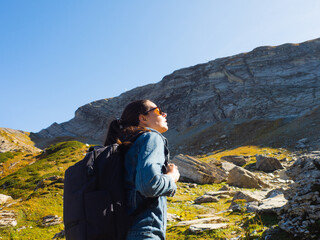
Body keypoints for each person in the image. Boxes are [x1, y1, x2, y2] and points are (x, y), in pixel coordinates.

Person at [104, 99, 180, 240]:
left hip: (118, 231)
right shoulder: (151, 137)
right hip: (143, 232)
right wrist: (171, 177)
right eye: (158, 110)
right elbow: (149, 185)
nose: (164, 114)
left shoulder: (123, 145)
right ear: (142, 118)